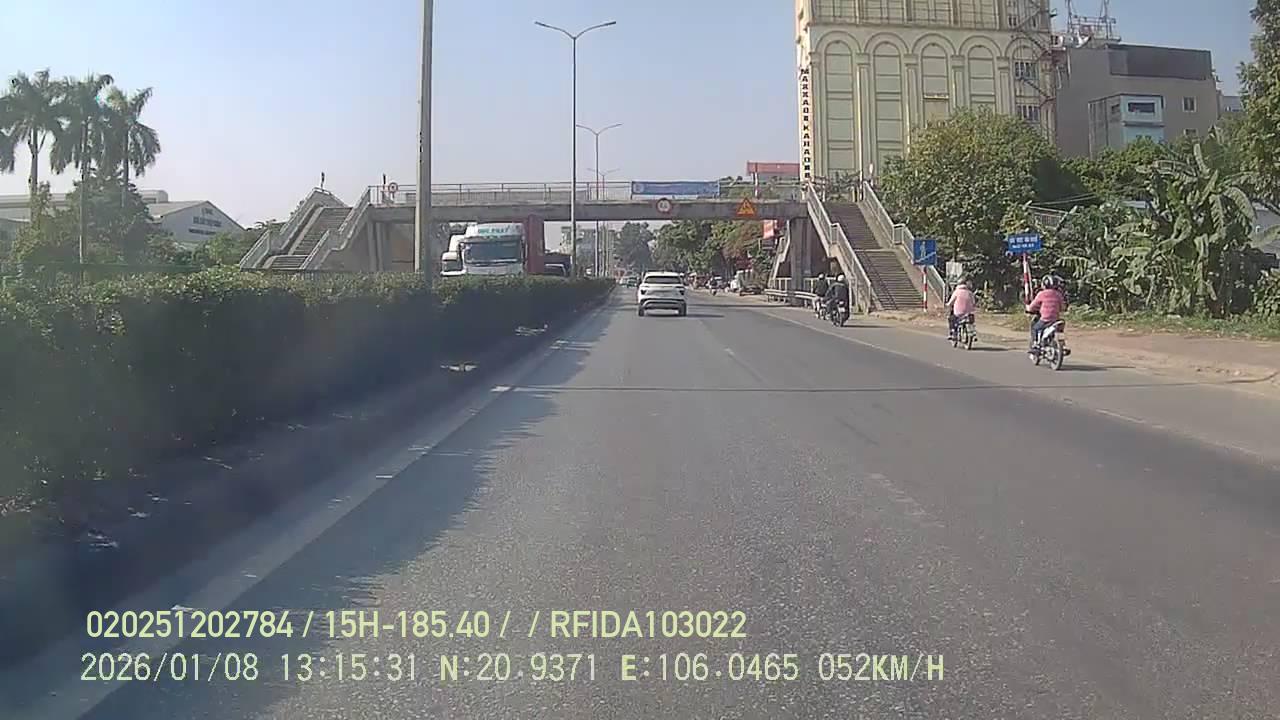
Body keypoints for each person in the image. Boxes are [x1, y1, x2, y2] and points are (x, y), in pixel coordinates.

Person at [1026, 275, 1067, 349]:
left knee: (1034, 327)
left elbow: (1032, 306)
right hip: (1055, 319)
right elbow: (1063, 307)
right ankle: (1062, 345)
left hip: (1045, 319)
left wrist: (1029, 309)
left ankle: (1035, 343)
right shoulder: (1058, 294)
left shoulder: (1041, 294)